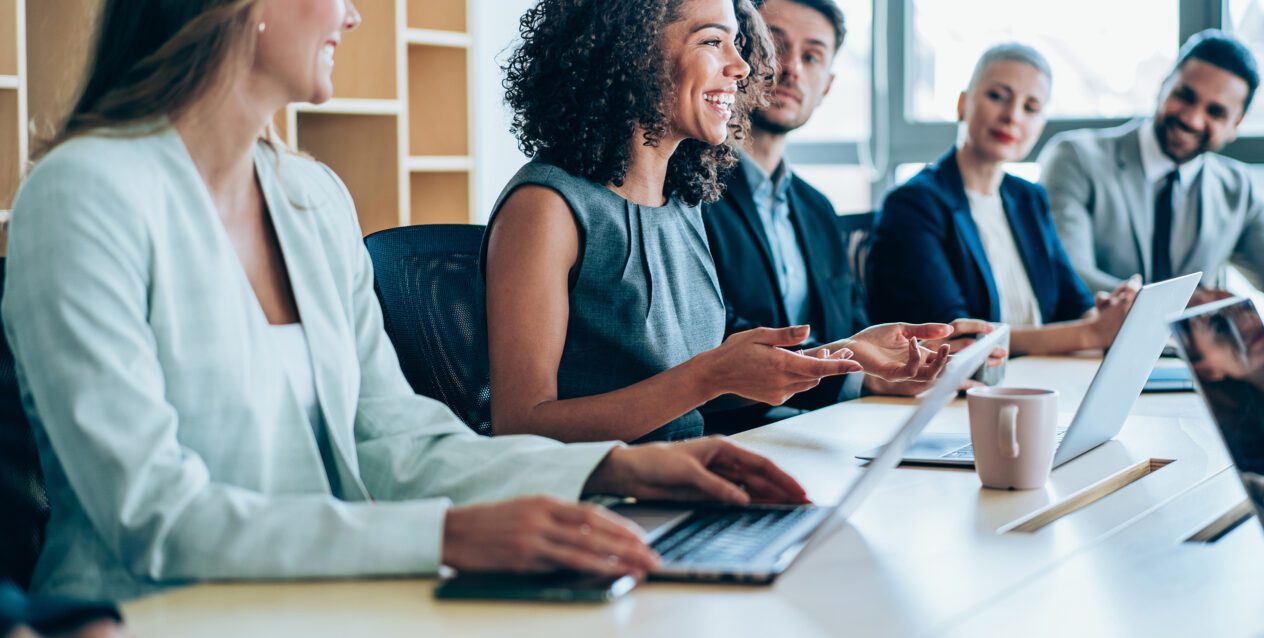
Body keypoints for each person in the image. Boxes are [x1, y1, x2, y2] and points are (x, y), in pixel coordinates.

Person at [3, 0, 809, 602]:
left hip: (327, 600)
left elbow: (396, 441)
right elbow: (153, 514)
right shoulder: (85, 195)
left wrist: (622, 464)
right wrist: (448, 534)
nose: (353, 16)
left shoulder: (308, 197)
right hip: (150, 612)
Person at [484, 0, 952, 444]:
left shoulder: (682, 202)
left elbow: (704, 392)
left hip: (689, 478)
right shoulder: (545, 206)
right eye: (712, 42)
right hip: (598, 507)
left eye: (736, 42)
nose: (743, 66)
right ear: (633, 48)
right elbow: (521, 427)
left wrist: (842, 354)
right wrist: (708, 376)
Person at [700, 0, 1003, 432]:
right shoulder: (692, 190)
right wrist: (857, 374)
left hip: (828, 425)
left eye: (812, 57)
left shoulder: (817, 208)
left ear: (826, 86)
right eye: (775, 46)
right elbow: (713, 339)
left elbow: (853, 329)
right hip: (741, 431)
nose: (792, 69)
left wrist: (919, 353)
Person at [1039, 29, 1264, 331]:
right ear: (1163, 85)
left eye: (1216, 112)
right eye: (1185, 96)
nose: (1193, 118)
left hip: (1197, 370)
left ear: (1236, 124)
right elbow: (1069, 274)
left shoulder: (1236, 188)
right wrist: (1180, 303)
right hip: (1087, 360)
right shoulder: (1075, 158)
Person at [867, 44, 1136, 355]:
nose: (1012, 116)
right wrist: (1091, 334)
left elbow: (1074, 303)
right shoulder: (914, 203)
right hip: (963, 387)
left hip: (1042, 375)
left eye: (1030, 108)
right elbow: (957, 337)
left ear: (1040, 127)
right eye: (997, 96)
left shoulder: (1029, 198)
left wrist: (1109, 316)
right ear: (963, 104)